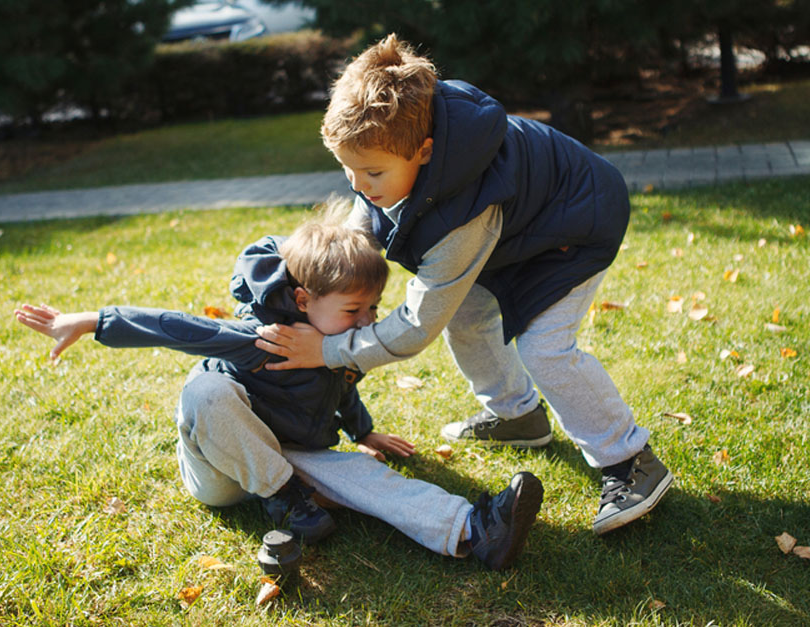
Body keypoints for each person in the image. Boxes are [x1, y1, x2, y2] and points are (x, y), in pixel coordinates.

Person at [253, 35, 672, 535]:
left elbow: (416, 326)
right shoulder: (399, 150)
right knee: (468, 318)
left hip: (573, 228)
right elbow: (358, 232)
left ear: (424, 153)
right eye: (347, 169)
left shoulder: (464, 216)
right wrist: (298, 273)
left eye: (372, 171)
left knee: (545, 349)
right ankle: (518, 416)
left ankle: (630, 460)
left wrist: (329, 351)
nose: (358, 185)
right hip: (515, 234)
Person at [13, 208, 543, 570]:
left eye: (373, 310)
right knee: (204, 392)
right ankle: (288, 499)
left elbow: (338, 388)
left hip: (285, 460)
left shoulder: (340, 344)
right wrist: (91, 321)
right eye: (354, 311)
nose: (366, 322)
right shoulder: (261, 337)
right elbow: (174, 327)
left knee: (362, 474)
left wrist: (366, 432)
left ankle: (474, 531)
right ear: (304, 299)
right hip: (222, 469)